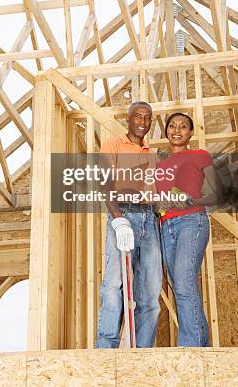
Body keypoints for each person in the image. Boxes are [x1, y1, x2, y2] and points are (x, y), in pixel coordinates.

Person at [96, 101, 163, 348]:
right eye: (138, 116)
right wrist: (118, 219)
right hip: (123, 215)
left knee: (151, 292)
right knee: (114, 284)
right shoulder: (113, 145)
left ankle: (142, 353)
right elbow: (104, 183)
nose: (142, 123)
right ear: (128, 118)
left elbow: (155, 192)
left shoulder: (151, 153)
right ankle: (107, 348)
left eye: (147, 118)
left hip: (149, 220)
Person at [155, 112, 222, 347]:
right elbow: (156, 201)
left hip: (191, 222)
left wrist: (189, 200)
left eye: (183, 126)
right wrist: (158, 204)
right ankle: (201, 346)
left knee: (184, 283)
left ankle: (191, 348)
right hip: (166, 227)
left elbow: (216, 194)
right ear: (166, 131)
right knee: (182, 286)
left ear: (191, 132)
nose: (177, 130)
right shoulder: (159, 165)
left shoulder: (199, 155)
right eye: (172, 125)